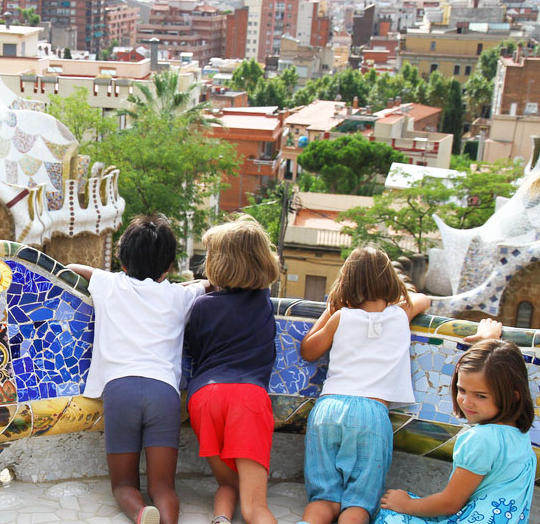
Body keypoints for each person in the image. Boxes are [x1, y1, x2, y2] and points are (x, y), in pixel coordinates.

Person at [69, 214, 207, 524]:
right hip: (164, 395)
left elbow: (72, 270)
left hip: (121, 390)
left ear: (123, 261)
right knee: (163, 485)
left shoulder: (108, 284)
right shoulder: (180, 295)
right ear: (169, 267)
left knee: (123, 485)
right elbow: (206, 285)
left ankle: (142, 513)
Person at [299, 247, 432, 524]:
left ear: (346, 283)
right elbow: (425, 299)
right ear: (391, 282)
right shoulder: (400, 314)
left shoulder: (341, 317)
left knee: (323, 498)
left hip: (329, 409)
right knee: (358, 504)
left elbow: (309, 350)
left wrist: (330, 309)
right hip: (371, 415)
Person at [375, 335, 535, 524]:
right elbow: (491, 368)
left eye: (480, 396)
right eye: (462, 390)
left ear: (513, 396)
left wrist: (405, 505)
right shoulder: (520, 434)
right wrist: (488, 341)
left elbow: (450, 504)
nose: (467, 402)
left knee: (389, 516)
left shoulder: (481, 439)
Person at [184, 215, 281, 524]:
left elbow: (194, 350)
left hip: (204, 397)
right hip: (247, 398)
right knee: (256, 508)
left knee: (227, 483)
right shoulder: (263, 301)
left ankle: (221, 518)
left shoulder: (202, 307)